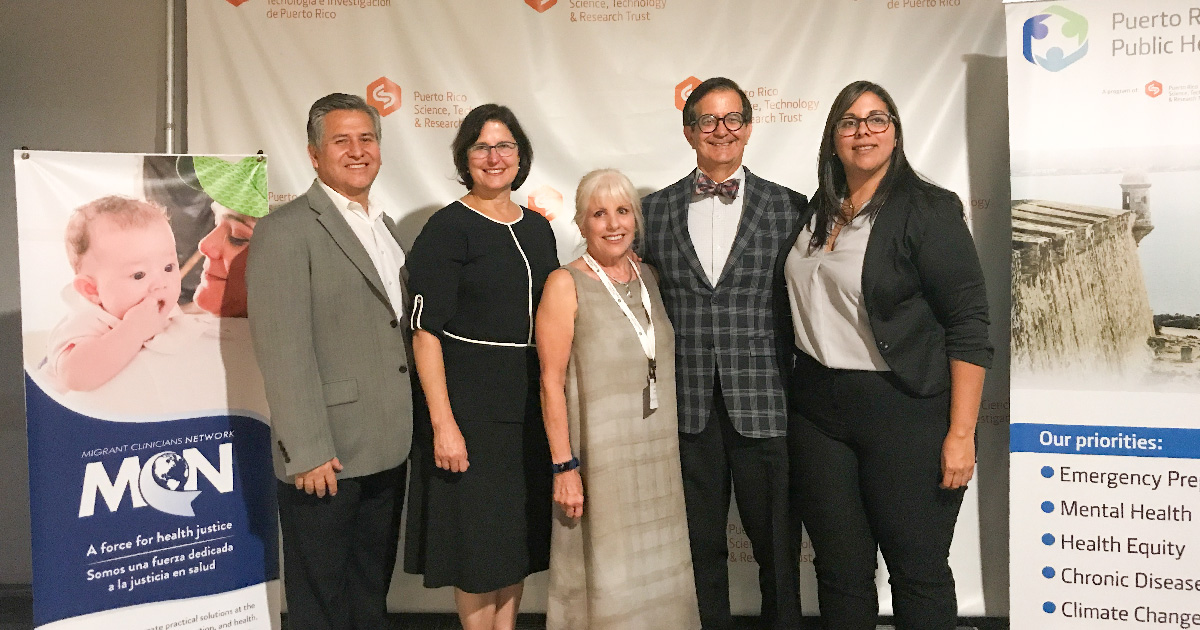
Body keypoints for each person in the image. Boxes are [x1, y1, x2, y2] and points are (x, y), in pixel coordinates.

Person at [780, 80, 991, 630]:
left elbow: (968, 325)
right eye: (849, 122)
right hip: (818, 410)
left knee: (916, 571)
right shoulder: (814, 213)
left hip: (905, 411)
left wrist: (962, 434)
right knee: (840, 572)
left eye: (878, 119)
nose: (863, 131)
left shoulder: (928, 210)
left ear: (896, 133)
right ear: (832, 138)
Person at [640, 77, 804, 630]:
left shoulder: (790, 207)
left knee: (778, 547)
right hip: (686, 407)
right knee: (697, 546)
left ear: (750, 127)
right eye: (708, 120)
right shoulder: (652, 212)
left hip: (767, 399)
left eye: (733, 118)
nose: (722, 130)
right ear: (689, 131)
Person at [246, 93, 414, 630]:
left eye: (367, 139)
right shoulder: (285, 230)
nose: (357, 150)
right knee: (321, 603)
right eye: (341, 140)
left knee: (369, 593)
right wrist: (309, 449)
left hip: (386, 446)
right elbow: (282, 348)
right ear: (315, 155)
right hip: (326, 458)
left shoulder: (384, 231)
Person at [403, 104, 557, 630]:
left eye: (505, 146)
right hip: (468, 411)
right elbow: (424, 334)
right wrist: (443, 425)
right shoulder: (447, 229)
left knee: (513, 541)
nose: (494, 158)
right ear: (465, 158)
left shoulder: (538, 229)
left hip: (528, 411)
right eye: (481, 147)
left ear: (521, 155)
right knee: (476, 547)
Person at [537, 169, 700, 630]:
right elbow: (550, 382)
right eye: (599, 214)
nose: (613, 224)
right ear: (582, 223)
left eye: (623, 211)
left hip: (656, 460)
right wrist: (564, 467)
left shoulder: (649, 276)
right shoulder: (564, 284)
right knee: (607, 581)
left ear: (636, 219)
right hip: (597, 464)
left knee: (657, 575)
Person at [45, 196, 182, 392]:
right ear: (91, 290)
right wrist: (132, 330)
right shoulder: (85, 321)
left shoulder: (162, 307)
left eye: (168, 267)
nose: (161, 284)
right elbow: (75, 377)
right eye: (139, 275)